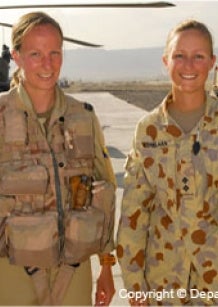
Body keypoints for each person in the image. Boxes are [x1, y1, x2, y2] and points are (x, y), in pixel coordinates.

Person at [0, 11, 116, 306]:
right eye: (36, 53)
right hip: (12, 271)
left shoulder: (84, 116)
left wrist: (105, 266)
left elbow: (105, 189)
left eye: (55, 52)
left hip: (73, 272)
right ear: (16, 56)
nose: (48, 64)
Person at [117, 19, 218, 306]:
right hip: (163, 285)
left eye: (199, 56)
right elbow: (134, 213)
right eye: (179, 56)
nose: (188, 65)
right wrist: (135, 286)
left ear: (212, 62)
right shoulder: (148, 130)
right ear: (165, 61)